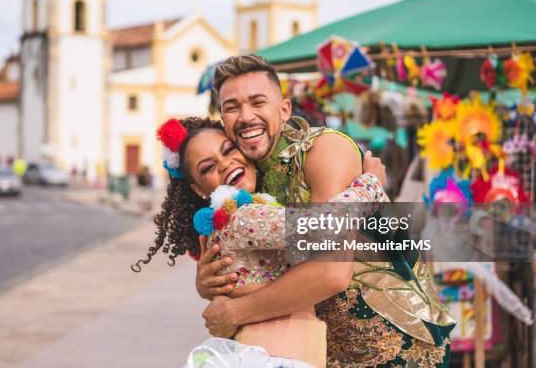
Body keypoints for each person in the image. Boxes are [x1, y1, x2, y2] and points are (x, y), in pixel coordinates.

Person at [196, 55, 454, 367]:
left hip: (396, 346)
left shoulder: (323, 150)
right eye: (232, 107)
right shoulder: (245, 178)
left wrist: (236, 312)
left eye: (257, 102)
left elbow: (330, 273)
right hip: (321, 350)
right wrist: (210, 282)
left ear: (285, 109)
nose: (246, 116)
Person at [134, 116, 387, 367]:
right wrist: (370, 183)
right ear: (199, 189)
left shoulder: (242, 215)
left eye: (228, 150)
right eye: (207, 167)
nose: (224, 164)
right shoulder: (242, 218)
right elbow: (321, 227)